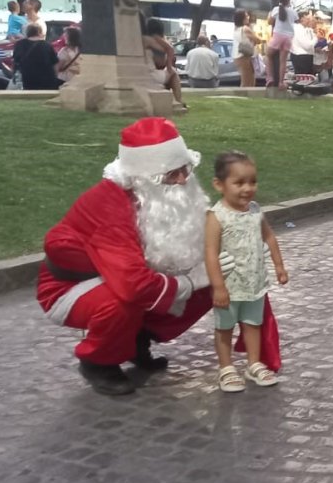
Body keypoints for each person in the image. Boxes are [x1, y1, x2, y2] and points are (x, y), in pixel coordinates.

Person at [37, 118, 225, 396]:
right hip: (70, 287)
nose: (183, 179)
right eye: (172, 173)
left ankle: (135, 339)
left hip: (124, 274)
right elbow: (133, 285)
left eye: (186, 168)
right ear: (143, 176)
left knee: (216, 282)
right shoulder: (108, 205)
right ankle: (98, 362)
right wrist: (189, 282)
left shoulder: (153, 194)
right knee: (122, 302)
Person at [204, 152, 288, 393]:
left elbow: (269, 236)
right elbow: (210, 253)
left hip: (254, 283)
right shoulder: (216, 216)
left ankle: (253, 363)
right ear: (219, 184)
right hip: (229, 286)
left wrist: (279, 265)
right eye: (239, 183)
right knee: (225, 327)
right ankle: (226, 367)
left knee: (253, 324)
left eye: (252, 182)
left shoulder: (255, 211)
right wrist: (218, 286)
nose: (247, 188)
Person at [142, 17, 185, 107]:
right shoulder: (149, 39)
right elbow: (169, 49)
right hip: (150, 75)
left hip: (143, 73)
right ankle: (179, 100)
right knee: (173, 73)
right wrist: (169, 67)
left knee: (169, 74)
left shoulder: (141, 39)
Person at [266, 0, 299, 90]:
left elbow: (270, 22)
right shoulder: (293, 12)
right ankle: (281, 82)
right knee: (283, 61)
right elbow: (296, 20)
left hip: (278, 35)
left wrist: (270, 14)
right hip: (289, 37)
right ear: (289, 1)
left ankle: (270, 78)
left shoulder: (276, 9)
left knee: (268, 55)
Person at [12, 24, 59, 90]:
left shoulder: (19, 44)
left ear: (27, 32)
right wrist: (55, 77)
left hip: (27, 79)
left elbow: (15, 61)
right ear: (39, 32)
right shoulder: (47, 45)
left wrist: (14, 74)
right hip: (46, 81)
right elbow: (55, 64)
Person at [233, 10, 262, 87]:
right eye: (246, 16)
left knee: (246, 79)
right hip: (244, 57)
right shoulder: (245, 28)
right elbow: (258, 40)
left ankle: (247, 93)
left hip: (238, 57)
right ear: (242, 18)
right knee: (248, 81)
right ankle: (245, 94)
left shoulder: (236, 29)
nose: (248, 17)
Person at [290, 10, 316, 75]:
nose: (309, 21)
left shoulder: (307, 29)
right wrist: (316, 38)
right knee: (303, 78)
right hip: (301, 57)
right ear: (302, 19)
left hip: (306, 57)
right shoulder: (298, 29)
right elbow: (308, 46)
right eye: (308, 19)